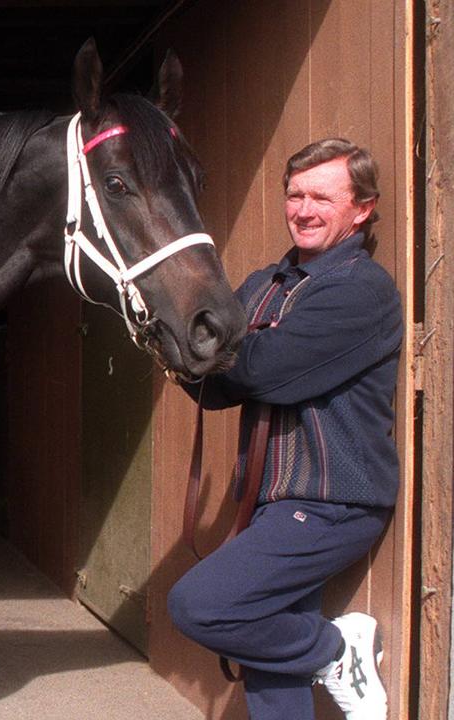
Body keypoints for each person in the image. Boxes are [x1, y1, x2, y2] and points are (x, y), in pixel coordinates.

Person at [168, 138, 401, 720]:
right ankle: (318, 653)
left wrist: (210, 350)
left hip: (331, 501)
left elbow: (266, 373)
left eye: (322, 196)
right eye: (295, 194)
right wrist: (176, 349)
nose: (303, 209)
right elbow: (219, 388)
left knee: (202, 605)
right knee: (271, 661)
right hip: (275, 502)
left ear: (362, 208)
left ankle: (335, 650)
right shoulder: (262, 283)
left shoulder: (360, 290)